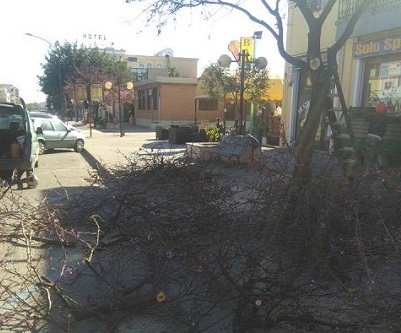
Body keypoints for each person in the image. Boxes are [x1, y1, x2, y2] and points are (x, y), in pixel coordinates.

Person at [365, 101, 388, 167]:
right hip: (377, 137)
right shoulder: (385, 118)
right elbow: (395, 120)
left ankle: (368, 166)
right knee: (375, 153)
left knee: (369, 152)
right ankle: (374, 167)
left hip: (369, 136)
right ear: (384, 110)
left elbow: (366, 118)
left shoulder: (371, 116)